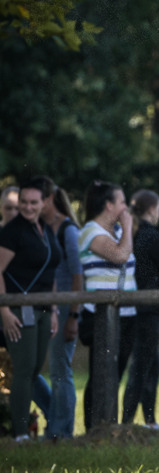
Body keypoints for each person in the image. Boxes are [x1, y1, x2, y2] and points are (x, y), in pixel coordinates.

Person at [0, 177, 60, 442]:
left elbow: (50, 270)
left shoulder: (45, 228)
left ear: (44, 202)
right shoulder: (12, 232)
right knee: (23, 371)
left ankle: (32, 428)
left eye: (33, 202)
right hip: (19, 308)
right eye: (23, 202)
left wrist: (55, 309)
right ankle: (21, 434)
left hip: (44, 308)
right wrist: (5, 310)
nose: (27, 207)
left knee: (35, 369)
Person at [79, 180, 137, 432]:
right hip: (101, 315)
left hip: (126, 313)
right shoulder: (91, 232)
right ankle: (96, 428)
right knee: (101, 374)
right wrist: (128, 226)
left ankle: (109, 426)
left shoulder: (115, 232)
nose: (126, 207)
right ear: (108, 205)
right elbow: (120, 255)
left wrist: (123, 229)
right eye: (122, 202)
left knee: (116, 371)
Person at [37, 178, 83, 439]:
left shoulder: (68, 230)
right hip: (45, 303)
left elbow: (77, 275)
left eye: (39, 200)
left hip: (65, 304)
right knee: (35, 370)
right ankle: (55, 420)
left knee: (59, 369)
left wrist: (73, 315)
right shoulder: (41, 227)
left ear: (51, 198)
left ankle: (61, 431)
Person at [122, 190, 159, 429]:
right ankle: (130, 419)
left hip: (134, 308)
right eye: (158, 209)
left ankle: (148, 419)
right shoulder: (153, 237)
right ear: (152, 210)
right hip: (147, 310)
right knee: (142, 366)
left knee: (150, 364)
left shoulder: (131, 235)